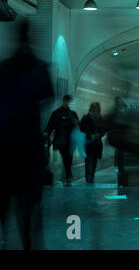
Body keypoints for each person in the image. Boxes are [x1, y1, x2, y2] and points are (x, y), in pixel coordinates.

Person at [0, 20, 53, 249]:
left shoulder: (4, 68)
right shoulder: (39, 68)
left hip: (5, 146)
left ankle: (5, 235)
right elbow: (48, 95)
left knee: (4, 199)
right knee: (29, 204)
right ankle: (28, 242)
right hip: (29, 146)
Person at [44, 94, 79, 185]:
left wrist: (76, 124)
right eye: (66, 101)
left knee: (68, 157)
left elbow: (78, 126)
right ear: (63, 101)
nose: (67, 103)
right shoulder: (56, 113)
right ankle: (68, 175)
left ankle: (68, 176)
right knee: (65, 157)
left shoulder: (72, 114)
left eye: (68, 101)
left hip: (70, 140)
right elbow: (51, 124)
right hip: (60, 139)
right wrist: (47, 132)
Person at [80, 102, 106, 183]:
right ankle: (89, 177)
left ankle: (91, 176)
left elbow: (103, 130)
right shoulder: (85, 118)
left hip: (97, 143)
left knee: (94, 160)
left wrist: (99, 135)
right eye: (94, 109)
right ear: (91, 109)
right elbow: (82, 130)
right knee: (89, 160)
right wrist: (90, 135)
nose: (95, 111)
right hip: (88, 142)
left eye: (96, 109)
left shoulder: (100, 119)